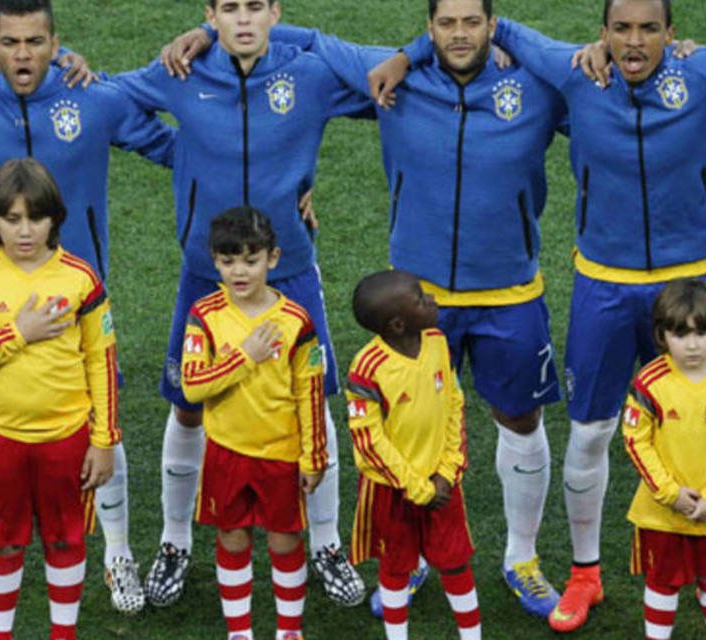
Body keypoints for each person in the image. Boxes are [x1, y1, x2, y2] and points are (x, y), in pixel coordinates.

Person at [161, 0, 568, 617]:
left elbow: (593, 74)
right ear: (428, 28)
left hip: (508, 290)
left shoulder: (532, 83)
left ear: (494, 24)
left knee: (518, 419)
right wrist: (203, 33)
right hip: (415, 295)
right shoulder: (393, 76)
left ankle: (522, 559)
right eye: (446, 23)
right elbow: (316, 41)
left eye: (475, 22)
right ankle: (419, 555)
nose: (460, 34)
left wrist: (506, 37)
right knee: (409, 424)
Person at [0, 0, 175, 614]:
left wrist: (288, 188)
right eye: (9, 42)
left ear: (57, 42)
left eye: (34, 41)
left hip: (78, 299)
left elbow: (174, 147)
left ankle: (117, 554)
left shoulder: (97, 98)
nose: (21, 55)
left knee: (102, 423)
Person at [113, 0, 376, 607]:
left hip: (290, 276)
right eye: (228, 8)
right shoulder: (183, 71)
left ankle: (326, 542)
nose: (243, 18)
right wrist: (177, 153)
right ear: (211, 13)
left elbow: (381, 75)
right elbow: (112, 100)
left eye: (256, 6)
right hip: (207, 275)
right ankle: (176, 541)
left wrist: (297, 36)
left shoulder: (308, 72)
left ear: (275, 10)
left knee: (314, 402)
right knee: (187, 405)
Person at [491, 1, 706, 630]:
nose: (634, 42)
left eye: (649, 29)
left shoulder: (697, 75)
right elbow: (492, 26)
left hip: (690, 284)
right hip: (605, 286)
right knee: (590, 431)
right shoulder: (573, 71)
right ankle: (586, 573)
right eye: (621, 29)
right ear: (602, 32)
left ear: (672, 33)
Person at [0, 158, 118, 640]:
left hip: (67, 437)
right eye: (12, 219)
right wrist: (19, 332)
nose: (24, 231)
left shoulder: (80, 279)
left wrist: (103, 440)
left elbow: (101, 362)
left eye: (35, 218)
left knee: (66, 538)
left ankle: (64, 634)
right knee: (0, 545)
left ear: (54, 219)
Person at [181, 206, 326, 640]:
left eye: (250, 260)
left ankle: (288, 631)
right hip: (226, 451)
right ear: (214, 261)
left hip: (280, 453)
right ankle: (239, 631)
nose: (239, 271)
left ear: (273, 258)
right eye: (227, 262)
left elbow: (310, 392)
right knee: (232, 537)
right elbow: (192, 386)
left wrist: (314, 454)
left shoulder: (296, 321)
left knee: (284, 540)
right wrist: (244, 355)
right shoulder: (204, 316)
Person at [345, 270, 479, 640]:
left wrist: (448, 469)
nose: (433, 300)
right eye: (422, 298)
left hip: (442, 483)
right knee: (395, 567)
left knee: (456, 563)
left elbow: (454, 402)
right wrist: (416, 486)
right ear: (399, 324)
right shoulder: (367, 369)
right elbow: (369, 443)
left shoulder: (437, 341)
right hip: (391, 491)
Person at [621, 278, 706, 640]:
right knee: (663, 584)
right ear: (661, 336)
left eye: (702, 333)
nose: (692, 345)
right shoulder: (649, 384)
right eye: (680, 334)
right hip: (663, 514)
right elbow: (637, 443)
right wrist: (671, 494)